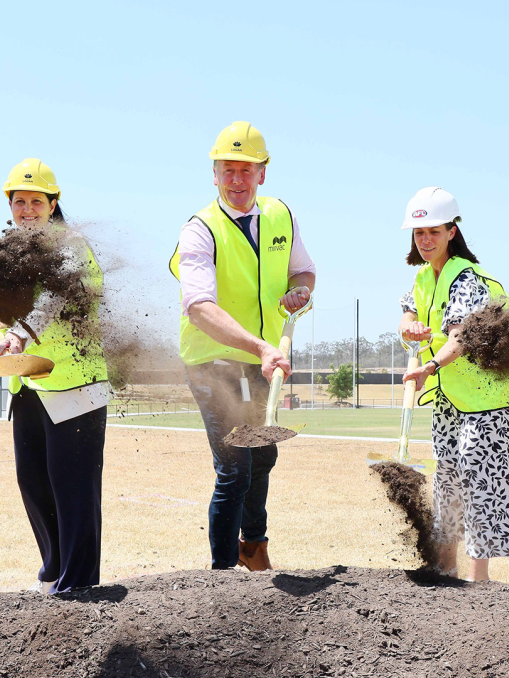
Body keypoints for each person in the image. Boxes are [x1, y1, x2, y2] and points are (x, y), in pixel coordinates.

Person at [398, 187, 509, 582]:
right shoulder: (425, 278)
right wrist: (409, 328)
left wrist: (428, 367)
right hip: (453, 400)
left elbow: (461, 337)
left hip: (491, 402)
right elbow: (408, 313)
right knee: (449, 479)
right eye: (418, 233)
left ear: (451, 231)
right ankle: (444, 568)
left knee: (478, 486)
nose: (424, 240)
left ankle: (478, 584)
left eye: (432, 231)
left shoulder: (468, 280)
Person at [168, 121, 314, 571]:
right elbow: (198, 307)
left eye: (246, 170)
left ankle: (253, 546)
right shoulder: (199, 230)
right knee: (234, 467)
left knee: (263, 453)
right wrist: (261, 347)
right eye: (227, 170)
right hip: (214, 362)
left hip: (261, 362)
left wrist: (299, 293)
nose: (236, 180)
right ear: (214, 174)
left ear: (262, 174)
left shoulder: (280, 216)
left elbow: (304, 271)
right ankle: (224, 574)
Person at [0, 158, 110, 594]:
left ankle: (78, 582)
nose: (28, 209)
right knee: (33, 482)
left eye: (37, 201)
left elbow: (53, 300)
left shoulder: (70, 246)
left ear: (54, 204)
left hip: (75, 385)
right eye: (20, 201)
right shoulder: (13, 250)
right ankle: (54, 570)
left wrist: (18, 333)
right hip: (29, 385)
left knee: (73, 489)